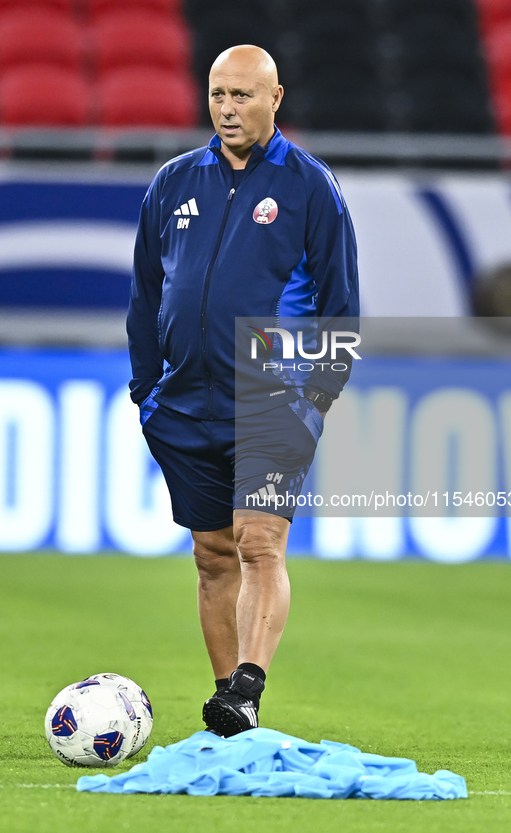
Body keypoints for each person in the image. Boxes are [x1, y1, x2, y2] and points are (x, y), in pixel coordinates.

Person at [127, 45, 359, 737]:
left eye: (243, 96)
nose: (228, 108)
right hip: (183, 402)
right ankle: (232, 712)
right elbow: (144, 295)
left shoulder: (309, 187)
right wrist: (147, 389)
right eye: (218, 94)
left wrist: (311, 399)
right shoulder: (173, 183)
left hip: (271, 395)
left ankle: (247, 686)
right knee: (211, 554)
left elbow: (339, 306)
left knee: (259, 541)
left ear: (275, 98)